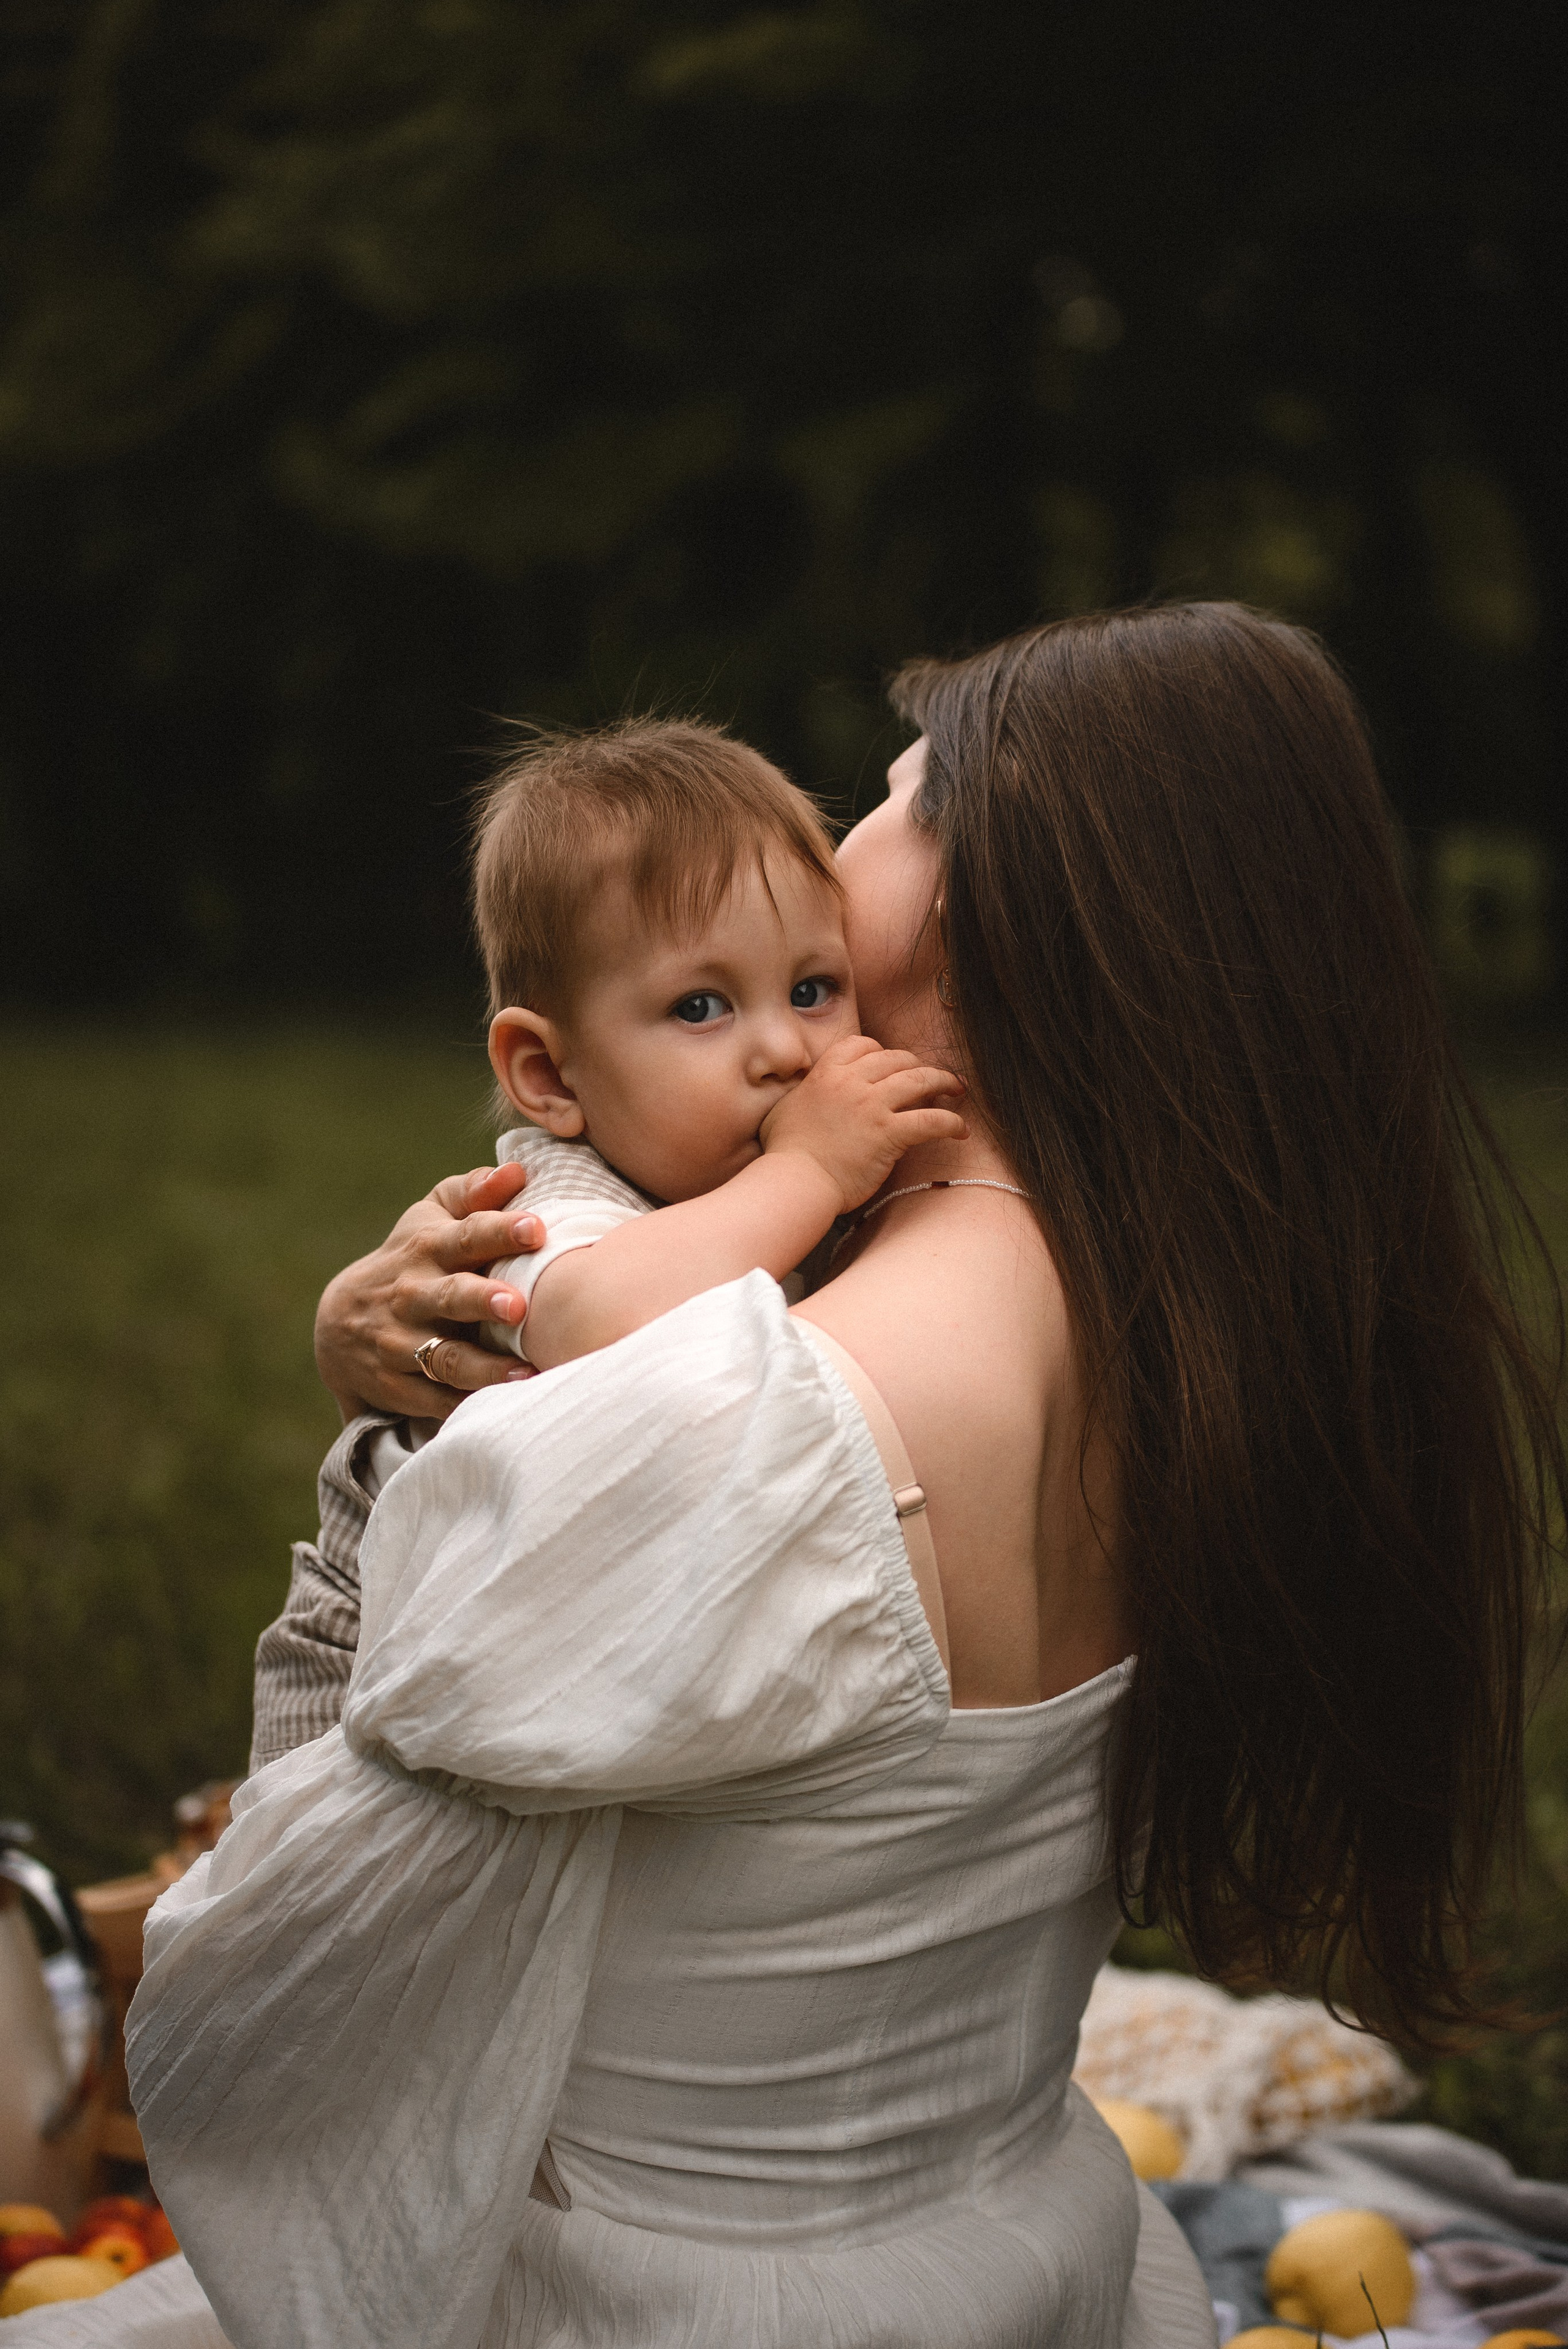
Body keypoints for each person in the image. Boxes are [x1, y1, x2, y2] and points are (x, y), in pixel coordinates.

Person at [111, 605, 1561, 2349]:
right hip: (1025, 2260)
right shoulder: (1218, 1342)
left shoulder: (741, 1426)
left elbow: (280, 1981)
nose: (836, 835)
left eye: (887, 795)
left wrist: (391, 1463)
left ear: (978, 884)